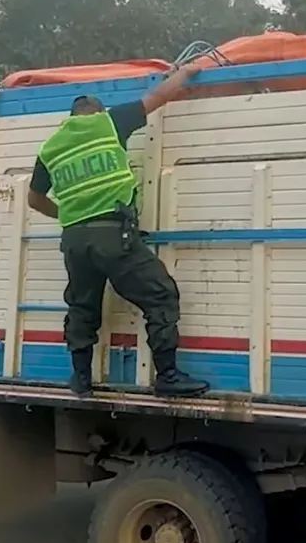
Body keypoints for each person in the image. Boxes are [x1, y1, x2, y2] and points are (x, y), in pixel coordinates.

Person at [27, 65, 211, 398]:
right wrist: (186, 71)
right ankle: (167, 376)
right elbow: (159, 96)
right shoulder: (109, 123)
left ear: (71, 117)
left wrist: (68, 214)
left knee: (82, 306)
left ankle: (80, 379)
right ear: (96, 111)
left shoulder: (50, 147)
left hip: (74, 240)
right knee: (160, 294)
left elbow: (34, 199)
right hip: (112, 234)